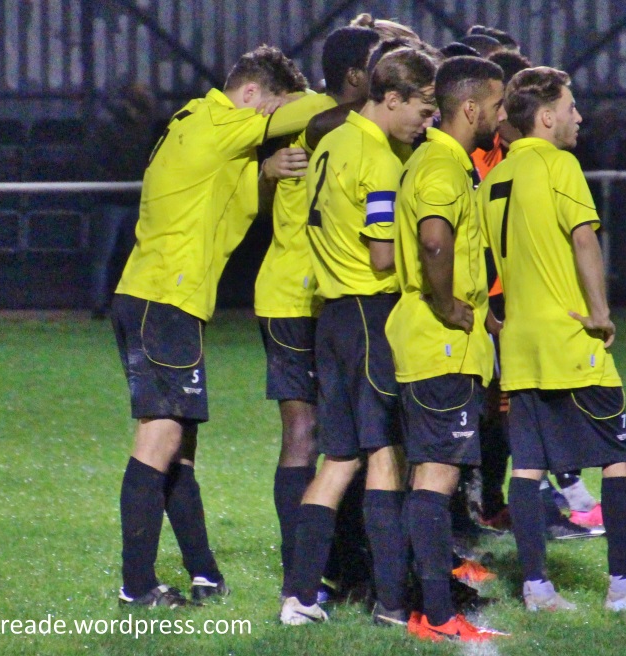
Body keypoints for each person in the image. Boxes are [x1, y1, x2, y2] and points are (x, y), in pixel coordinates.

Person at [111, 45, 332, 609]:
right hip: (166, 298)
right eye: (270, 108)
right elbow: (316, 109)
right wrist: (326, 93)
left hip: (152, 294)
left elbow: (214, 191)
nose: (272, 121)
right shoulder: (223, 121)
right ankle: (136, 587)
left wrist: (264, 170)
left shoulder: (195, 122)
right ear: (251, 94)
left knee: (180, 446)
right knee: (160, 437)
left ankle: (205, 573)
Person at [479, 66, 626, 612]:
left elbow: (485, 260)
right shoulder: (559, 164)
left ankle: (536, 588)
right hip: (569, 336)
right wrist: (599, 312)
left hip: (519, 342)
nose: (578, 117)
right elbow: (583, 239)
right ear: (547, 117)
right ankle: (624, 587)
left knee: (528, 465)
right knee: (618, 456)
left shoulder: (495, 178)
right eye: (571, 107)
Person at [279, 47, 438, 627]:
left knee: (337, 459)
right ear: (392, 98)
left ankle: (299, 597)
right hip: (371, 315)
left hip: (331, 317)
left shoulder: (332, 141)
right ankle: (392, 603)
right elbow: (381, 256)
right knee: (383, 454)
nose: (426, 122)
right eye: (422, 109)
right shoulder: (379, 160)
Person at [254, 25, 380, 602]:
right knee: (306, 435)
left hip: (327, 297)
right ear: (356, 77)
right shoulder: (320, 119)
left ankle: (342, 564)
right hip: (294, 296)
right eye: (378, 65)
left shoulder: (333, 121)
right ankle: (300, 573)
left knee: (345, 438)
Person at [385, 56, 509, 642]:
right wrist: (446, 304)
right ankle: (436, 616)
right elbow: (434, 240)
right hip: (439, 347)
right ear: (471, 108)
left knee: (429, 479)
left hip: (436, 346)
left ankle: (428, 606)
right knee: (434, 481)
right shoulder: (441, 165)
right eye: (497, 105)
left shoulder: (440, 160)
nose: (502, 117)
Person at [88, 83, 160, 320]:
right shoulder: (110, 126)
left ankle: (131, 303)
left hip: (132, 196)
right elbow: (101, 161)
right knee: (104, 256)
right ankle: (100, 305)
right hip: (112, 198)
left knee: (132, 255)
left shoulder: (143, 126)